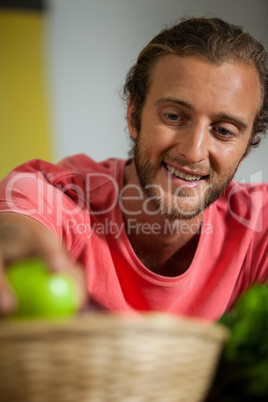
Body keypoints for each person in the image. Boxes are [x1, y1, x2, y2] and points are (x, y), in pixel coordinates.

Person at [0, 16, 267, 321]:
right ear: (133, 114)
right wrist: (13, 235)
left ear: (246, 147)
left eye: (223, 131)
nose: (193, 152)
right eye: (174, 117)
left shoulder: (259, 226)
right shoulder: (65, 193)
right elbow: (25, 209)